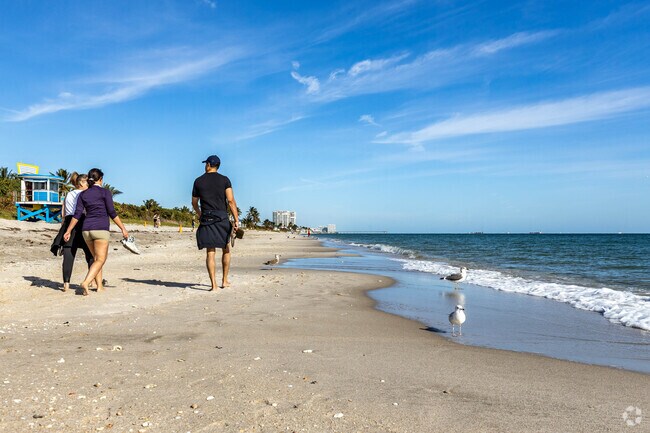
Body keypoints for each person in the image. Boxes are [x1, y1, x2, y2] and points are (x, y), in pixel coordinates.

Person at [63, 168, 129, 296]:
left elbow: (76, 215)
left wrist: (68, 230)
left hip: (86, 230)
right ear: (100, 179)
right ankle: (86, 282)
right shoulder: (105, 192)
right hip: (100, 229)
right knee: (101, 260)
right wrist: (123, 228)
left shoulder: (83, 194)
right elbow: (112, 212)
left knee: (96, 259)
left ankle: (99, 287)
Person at [192, 155, 239, 290]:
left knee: (210, 252)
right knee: (226, 249)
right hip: (222, 217)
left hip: (207, 218)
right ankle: (224, 280)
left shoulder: (198, 181)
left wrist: (200, 215)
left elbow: (194, 203)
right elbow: (230, 201)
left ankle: (214, 285)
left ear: (208, 164)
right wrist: (236, 220)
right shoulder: (225, 180)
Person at [50, 173, 94, 292]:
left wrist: (64, 229)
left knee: (68, 254)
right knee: (90, 254)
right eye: (87, 182)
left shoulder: (68, 194)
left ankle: (66, 283)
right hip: (82, 222)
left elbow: (63, 214)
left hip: (69, 223)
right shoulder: (86, 194)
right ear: (81, 183)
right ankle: (90, 280)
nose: (89, 185)